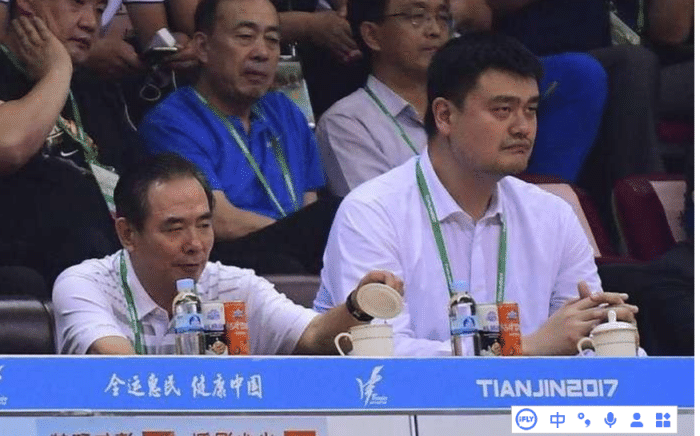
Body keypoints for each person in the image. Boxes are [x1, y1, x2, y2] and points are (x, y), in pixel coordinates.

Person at [313, 32, 638, 356]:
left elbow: (581, 342)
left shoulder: (553, 215)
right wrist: (520, 349)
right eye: (503, 110)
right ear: (444, 115)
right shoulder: (373, 212)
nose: (523, 127)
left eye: (531, 109)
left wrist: (611, 337)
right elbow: (382, 352)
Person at [53, 153, 403, 355]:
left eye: (204, 224)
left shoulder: (232, 287)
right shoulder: (86, 284)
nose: (195, 243)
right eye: (174, 228)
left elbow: (313, 336)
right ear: (128, 234)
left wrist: (358, 305)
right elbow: (117, 366)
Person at [317, 0, 605, 197]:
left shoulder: (476, 106)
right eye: (416, 16)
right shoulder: (347, 123)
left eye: (443, 17)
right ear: (372, 35)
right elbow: (377, 221)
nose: (434, 30)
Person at [139, 0, 336, 274]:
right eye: (245, 36)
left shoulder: (285, 111)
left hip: (301, 257)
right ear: (203, 47)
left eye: (272, 40)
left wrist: (308, 234)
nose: (262, 53)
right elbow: (218, 220)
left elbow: (308, 202)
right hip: (225, 265)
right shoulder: (172, 122)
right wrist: (303, 231)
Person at [0, 0, 145, 285]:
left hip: (114, 268)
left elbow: (142, 185)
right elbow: (9, 145)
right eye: (76, 3)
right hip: (33, 271)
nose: (90, 22)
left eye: (99, 10)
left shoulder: (97, 90)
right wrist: (58, 71)